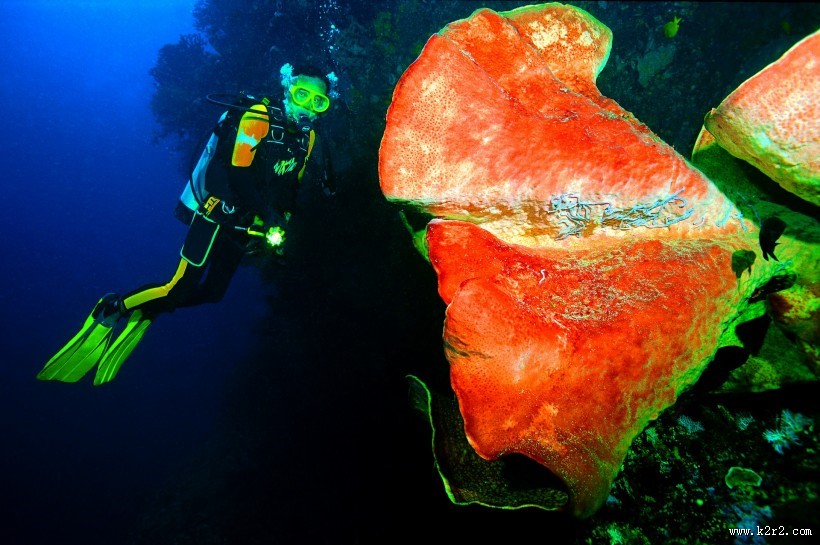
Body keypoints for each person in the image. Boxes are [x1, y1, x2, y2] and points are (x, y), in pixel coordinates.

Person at [37, 62, 337, 386]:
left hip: (247, 223)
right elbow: (237, 173)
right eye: (302, 94)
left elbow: (291, 187)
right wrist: (269, 213)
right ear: (287, 88)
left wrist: (282, 222)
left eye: (318, 101)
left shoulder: (307, 139)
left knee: (213, 293)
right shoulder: (257, 117)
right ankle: (114, 306)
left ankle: (150, 309)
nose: (307, 107)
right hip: (216, 212)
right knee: (177, 287)